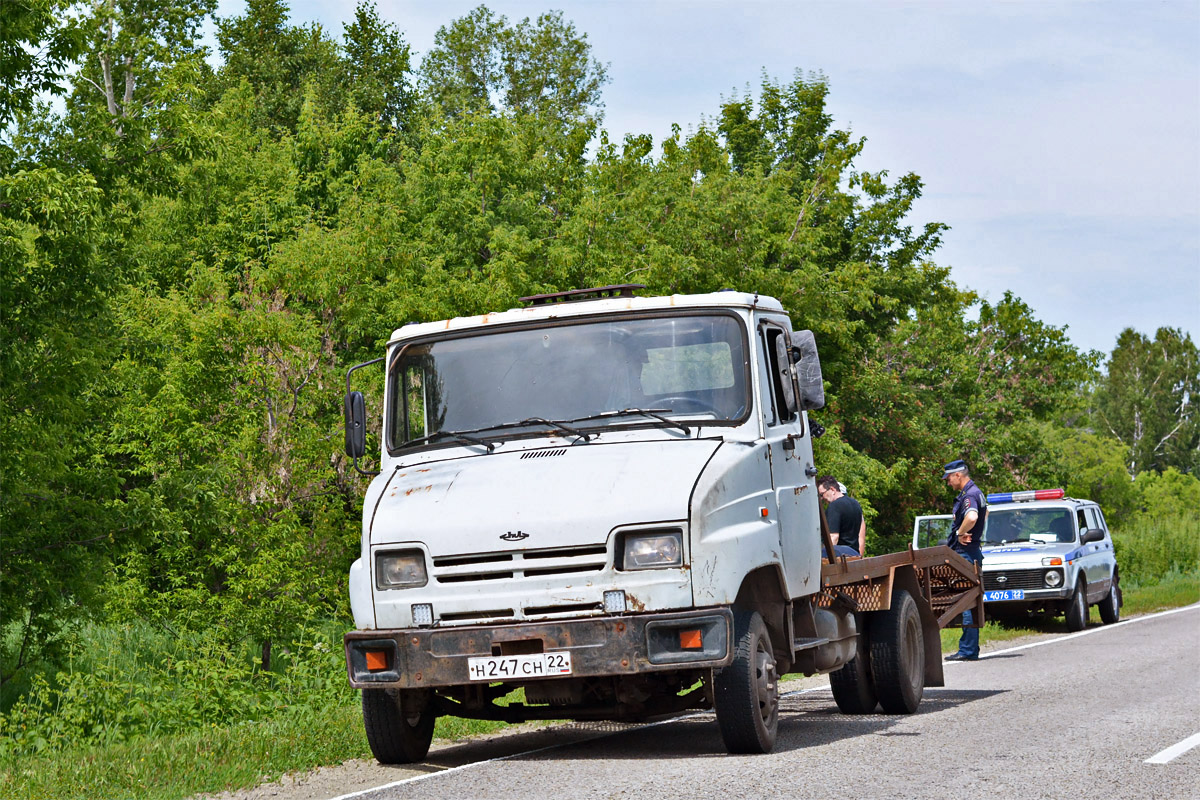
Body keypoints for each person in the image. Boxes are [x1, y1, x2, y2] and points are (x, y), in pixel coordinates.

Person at [943, 459, 987, 662]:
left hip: (965, 553)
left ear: (958, 475)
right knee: (969, 599)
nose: (948, 482)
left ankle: (968, 650)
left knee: (966, 601)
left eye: (949, 478)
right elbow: (986, 513)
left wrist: (962, 532)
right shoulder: (976, 492)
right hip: (971, 551)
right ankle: (969, 648)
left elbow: (972, 517)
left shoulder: (969, 495)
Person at [817, 475, 866, 556]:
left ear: (832, 489)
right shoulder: (855, 503)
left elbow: (833, 537)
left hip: (841, 555)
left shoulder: (834, 506)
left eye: (822, 494)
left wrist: (827, 559)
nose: (822, 498)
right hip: (854, 553)